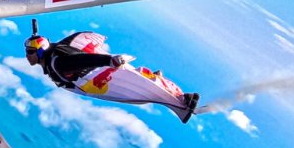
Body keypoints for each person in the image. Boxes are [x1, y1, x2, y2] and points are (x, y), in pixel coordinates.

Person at [25, 30, 200, 123]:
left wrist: (109, 61)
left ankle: (180, 102)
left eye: (30, 52)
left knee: (141, 91)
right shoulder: (57, 51)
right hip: (102, 73)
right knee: (138, 77)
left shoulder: (59, 63)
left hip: (98, 81)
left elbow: (82, 60)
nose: (27, 55)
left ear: (40, 51)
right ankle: (179, 96)